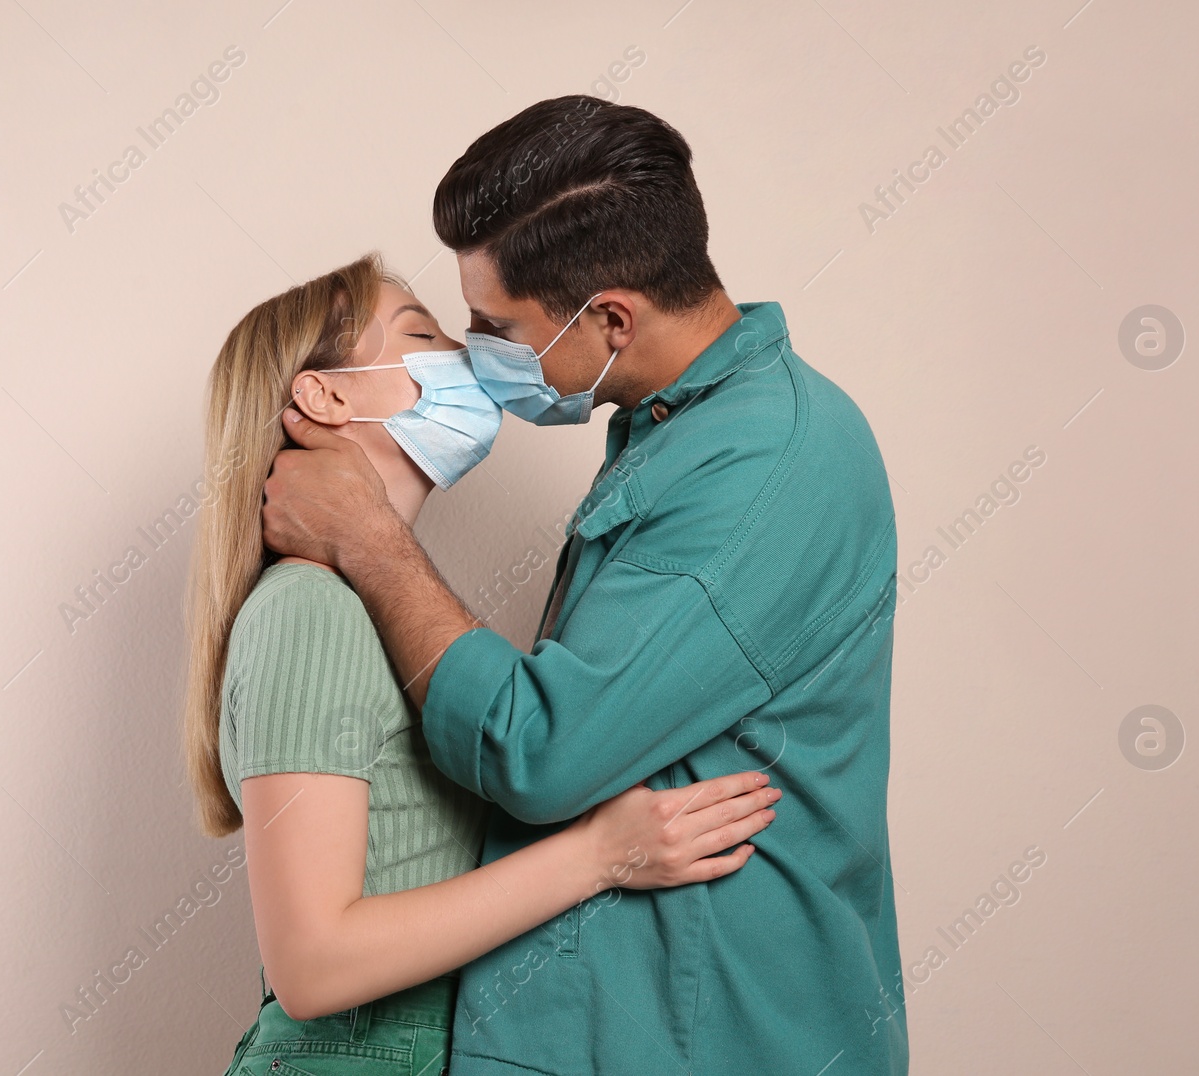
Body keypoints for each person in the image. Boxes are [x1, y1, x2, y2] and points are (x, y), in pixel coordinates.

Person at [261, 97, 908, 1074]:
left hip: (715, 1037)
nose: (477, 354)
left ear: (610, 316)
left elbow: (544, 752)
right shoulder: (672, 427)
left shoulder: (766, 462)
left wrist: (371, 541)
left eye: (492, 326)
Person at [183, 253, 782, 1076]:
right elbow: (312, 967)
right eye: (422, 334)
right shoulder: (308, 609)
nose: (469, 360)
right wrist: (600, 855)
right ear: (324, 397)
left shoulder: (372, 605)